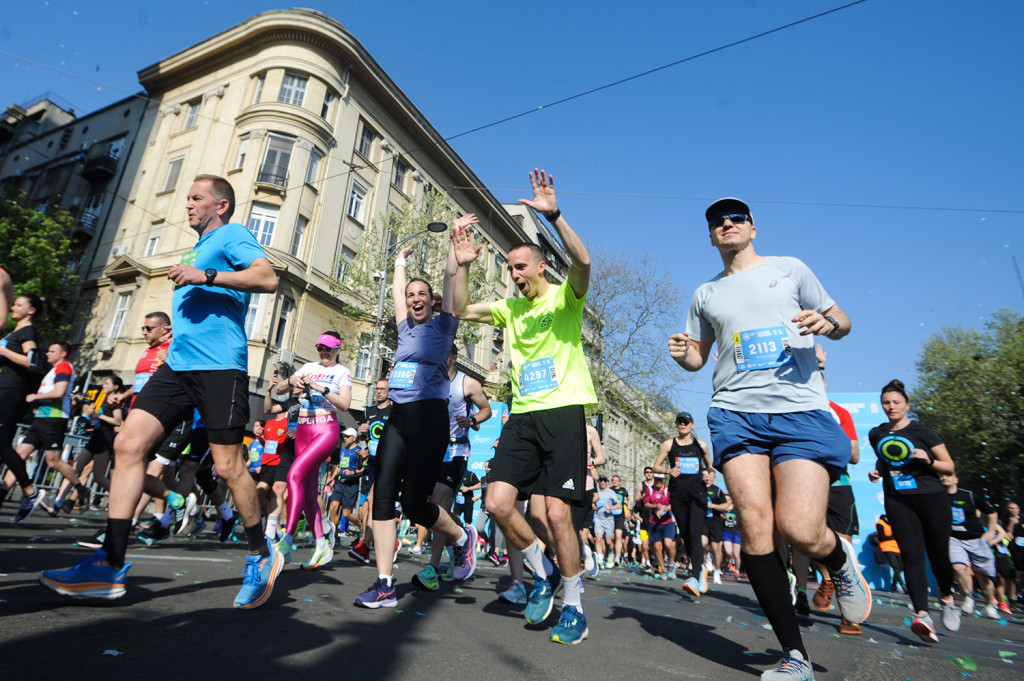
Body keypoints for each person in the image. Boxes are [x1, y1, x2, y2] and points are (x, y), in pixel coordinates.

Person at [40, 174, 282, 609]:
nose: (187, 204)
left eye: (197, 197)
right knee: (128, 444)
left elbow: (267, 279)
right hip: (178, 365)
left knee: (227, 468)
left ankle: (260, 553)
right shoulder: (195, 244)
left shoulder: (232, 234)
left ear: (220, 205)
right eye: (187, 197)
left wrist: (205, 274)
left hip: (220, 365)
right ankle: (108, 565)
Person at [669, 198, 870, 680]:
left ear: (753, 227)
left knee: (801, 529)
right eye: (717, 221)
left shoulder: (790, 269)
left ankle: (838, 561)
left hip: (799, 408)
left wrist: (828, 323)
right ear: (711, 236)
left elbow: (842, 320)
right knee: (757, 530)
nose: (727, 224)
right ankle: (794, 656)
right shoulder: (705, 294)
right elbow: (699, 357)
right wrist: (684, 356)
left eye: (736, 217)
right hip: (735, 413)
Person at [451, 168, 597, 645]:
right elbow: (458, 309)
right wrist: (463, 263)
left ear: (539, 267)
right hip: (523, 414)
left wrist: (554, 215)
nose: (514, 276)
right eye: (509, 269)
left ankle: (573, 605)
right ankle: (543, 572)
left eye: (519, 268)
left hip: (563, 412)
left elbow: (583, 261)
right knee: (496, 502)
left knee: (556, 515)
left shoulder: (565, 300)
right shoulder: (509, 309)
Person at [353, 216, 478, 609]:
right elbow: (394, 292)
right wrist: (399, 265)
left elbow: (447, 281)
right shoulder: (404, 329)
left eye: (421, 293)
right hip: (399, 419)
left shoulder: (444, 327)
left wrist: (454, 253)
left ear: (431, 299)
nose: (414, 298)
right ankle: (385, 583)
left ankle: (461, 537)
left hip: (430, 420)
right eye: (410, 295)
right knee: (384, 496)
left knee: (415, 505)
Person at [868, 379, 958, 642]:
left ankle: (947, 598)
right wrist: (877, 472)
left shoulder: (923, 431)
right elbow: (884, 458)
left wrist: (928, 460)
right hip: (898, 499)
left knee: (939, 556)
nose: (891, 406)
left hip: (931, 497)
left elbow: (948, 466)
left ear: (907, 405)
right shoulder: (877, 433)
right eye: (886, 402)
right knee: (911, 556)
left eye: (896, 402)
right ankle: (923, 615)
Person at [412, 343, 491, 589]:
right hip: (432, 451)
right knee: (424, 508)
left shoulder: (467, 383)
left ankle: (432, 569)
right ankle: (463, 536)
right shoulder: (429, 381)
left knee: (438, 503)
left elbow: (486, 409)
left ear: (454, 357)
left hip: (456, 451)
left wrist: (472, 420)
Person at [274, 331, 352, 569]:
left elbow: (346, 405)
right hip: (304, 431)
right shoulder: (307, 366)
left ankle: (287, 538)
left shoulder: (342, 372)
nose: (324, 352)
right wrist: (291, 382)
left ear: (338, 348)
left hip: (325, 430)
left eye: (328, 348)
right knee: (308, 493)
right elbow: (278, 390)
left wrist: (320, 388)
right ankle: (321, 543)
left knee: (293, 476)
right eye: (320, 348)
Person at [13, 342, 81, 522]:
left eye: (52, 351)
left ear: (63, 354)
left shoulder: (65, 367)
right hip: (41, 418)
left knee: (53, 462)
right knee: (19, 456)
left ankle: (81, 488)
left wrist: (36, 397)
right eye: (48, 351)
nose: (48, 354)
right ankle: (18, 493)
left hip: (54, 419)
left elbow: (59, 392)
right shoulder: (53, 370)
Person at [652, 411, 713, 596]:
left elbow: (710, 465)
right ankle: (701, 569)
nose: (682, 425)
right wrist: (668, 471)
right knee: (686, 535)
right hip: (678, 496)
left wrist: (710, 474)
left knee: (694, 533)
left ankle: (694, 576)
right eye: (679, 422)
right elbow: (656, 466)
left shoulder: (700, 445)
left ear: (692, 425)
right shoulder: (669, 444)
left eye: (685, 422)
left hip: (697, 494)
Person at [0, 293, 41, 510]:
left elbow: (31, 361)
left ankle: (30, 490)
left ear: (31, 310)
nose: (13, 308)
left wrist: (2, 349)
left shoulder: (27, 331)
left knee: (2, 444)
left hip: (12, 390)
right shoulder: (14, 332)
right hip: (4, 387)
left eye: (19, 305)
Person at [941, 472, 1000, 619]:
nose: (944, 478)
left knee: (983, 576)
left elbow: (991, 512)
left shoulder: (969, 496)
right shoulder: (937, 496)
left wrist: (991, 531)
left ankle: (989, 605)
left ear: (956, 479)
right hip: (954, 539)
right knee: (958, 568)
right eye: (941, 476)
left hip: (976, 539)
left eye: (948, 475)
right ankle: (968, 597)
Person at [348, 378, 391, 564]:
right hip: (372, 462)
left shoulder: (394, 410)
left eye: (383, 389)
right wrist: (361, 431)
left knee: (373, 501)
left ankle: (365, 545)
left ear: (389, 392)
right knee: (368, 507)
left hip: (388, 461)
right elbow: (364, 435)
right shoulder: (369, 410)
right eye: (378, 389)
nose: (379, 392)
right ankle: (388, 542)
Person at [643, 473, 677, 579]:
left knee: (668, 544)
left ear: (664, 480)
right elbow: (646, 504)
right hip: (654, 522)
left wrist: (663, 509)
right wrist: (655, 506)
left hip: (668, 521)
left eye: (661, 480)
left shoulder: (668, 490)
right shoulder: (650, 490)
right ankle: (663, 568)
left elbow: (673, 505)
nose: (659, 482)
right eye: (657, 479)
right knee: (657, 547)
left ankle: (671, 564)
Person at [701, 468, 731, 585]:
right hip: (702, 521)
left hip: (715, 522)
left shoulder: (717, 490)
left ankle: (717, 571)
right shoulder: (698, 489)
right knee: (703, 544)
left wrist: (712, 505)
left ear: (711, 477)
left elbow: (726, 507)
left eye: (706, 475)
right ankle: (702, 571)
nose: (705, 477)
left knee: (716, 548)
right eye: (703, 475)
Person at [875, 514, 906, 593]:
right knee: (895, 567)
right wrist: (893, 536)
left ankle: (894, 585)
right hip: (886, 547)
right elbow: (881, 536)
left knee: (901, 567)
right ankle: (903, 586)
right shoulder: (880, 523)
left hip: (896, 548)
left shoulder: (893, 523)